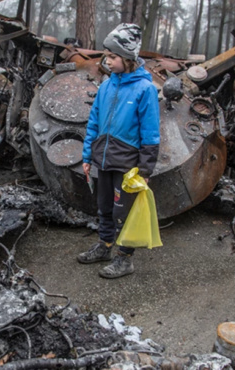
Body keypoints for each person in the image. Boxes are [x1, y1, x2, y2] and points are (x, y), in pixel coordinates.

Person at [78, 23, 160, 279]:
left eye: (113, 56)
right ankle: (105, 246)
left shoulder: (145, 89)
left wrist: (145, 170)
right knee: (103, 207)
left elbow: (150, 133)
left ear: (127, 58)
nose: (107, 60)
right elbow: (93, 122)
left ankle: (125, 259)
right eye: (107, 55)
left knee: (123, 212)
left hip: (127, 163)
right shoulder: (106, 86)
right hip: (103, 157)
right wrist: (88, 156)